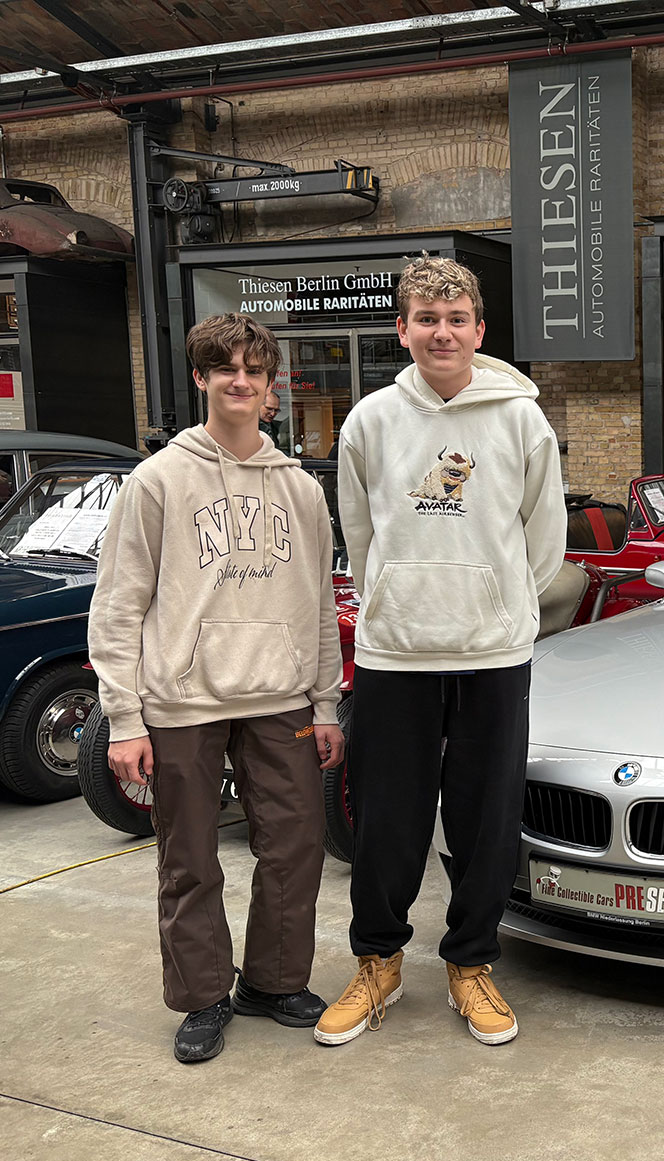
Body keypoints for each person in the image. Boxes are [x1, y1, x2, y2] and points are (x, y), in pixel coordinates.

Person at [316, 256, 565, 1048]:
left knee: (486, 819)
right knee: (386, 820)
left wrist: (500, 605)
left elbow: (544, 538)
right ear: (403, 329)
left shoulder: (522, 421)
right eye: (426, 319)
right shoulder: (370, 421)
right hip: (397, 650)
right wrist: (394, 599)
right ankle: (378, 962)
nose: (442, 333)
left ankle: (471, 963)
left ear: (479, 330)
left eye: (456, 320)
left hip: (492, 650)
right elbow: (359, 534)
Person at [88, 312, 346, 1063]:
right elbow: (119, 605)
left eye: (253, 371)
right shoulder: (157, 482)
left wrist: (326, 702)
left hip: (281, 697)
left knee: (295, 845)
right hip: (182, 702)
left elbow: (318, 604)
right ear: (200, 378)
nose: (240, 381)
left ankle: (273, 981)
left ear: (270, 386)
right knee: (190, 857)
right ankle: (203, 997)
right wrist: (124, 718)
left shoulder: (300, 489)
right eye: (225, 368)